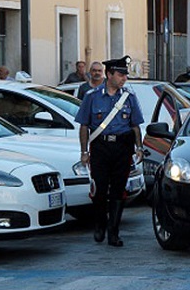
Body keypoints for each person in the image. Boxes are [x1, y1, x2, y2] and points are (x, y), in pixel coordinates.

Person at [75, 55, 144, 247]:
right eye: (120, 74)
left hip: (122, 147)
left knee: (118, 191)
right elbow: (84, 126)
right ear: (109, 74)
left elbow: (135, 125)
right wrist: (84, 152)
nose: (124, 78)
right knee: (99, 190)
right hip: (100, 148)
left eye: (125, 75)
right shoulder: (92, 97)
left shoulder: (129, 98)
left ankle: (114, 232)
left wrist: (139, 147)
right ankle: (100, 225)